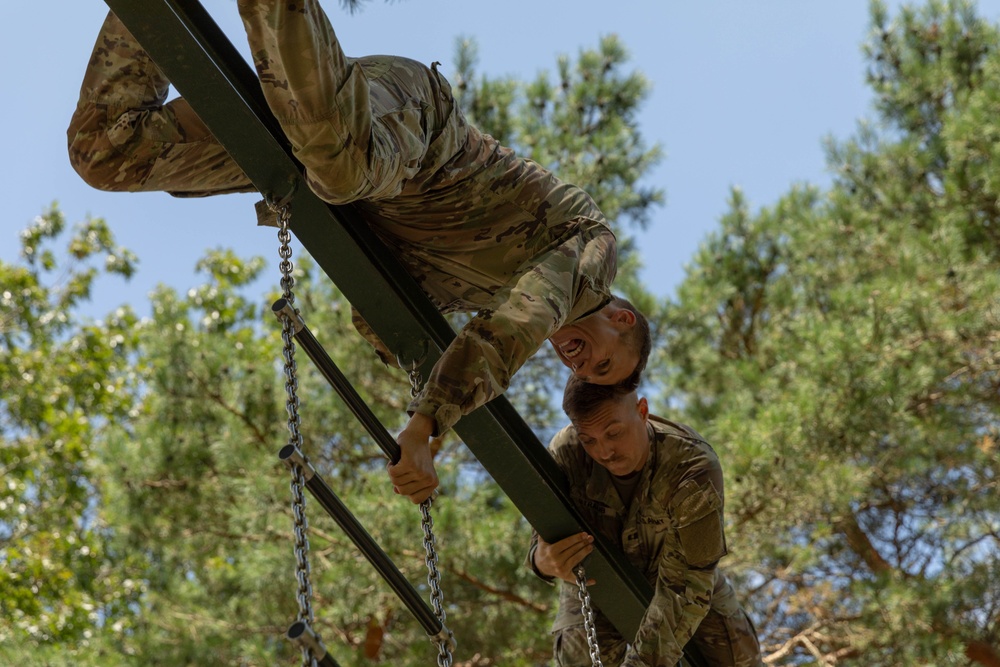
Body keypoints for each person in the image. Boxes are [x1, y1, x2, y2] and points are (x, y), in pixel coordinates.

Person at [66, 0, 652, 504]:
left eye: (581, 372)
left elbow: (378, 311)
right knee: (342, 168)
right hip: (413, 128)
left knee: (108, 152)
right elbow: (512, 333)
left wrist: (407, 366)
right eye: (601, 361)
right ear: (620, 319)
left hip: (323, 153)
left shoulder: (481, 292)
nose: (578, 363)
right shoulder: (589, 256)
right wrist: (427, 424)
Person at [528, 378, 762, 666]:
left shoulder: (692, 465)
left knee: (739, 660)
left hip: (684, 585)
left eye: (614, 433)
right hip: (597, 582)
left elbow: (689, 584)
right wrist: (542, 561)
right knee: (578, 659)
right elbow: (543, 535)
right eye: (589, 439)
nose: (604, 451)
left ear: (642, 411)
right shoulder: (568, 451)